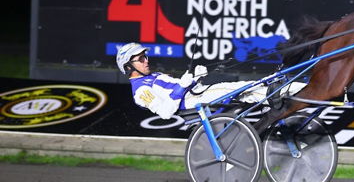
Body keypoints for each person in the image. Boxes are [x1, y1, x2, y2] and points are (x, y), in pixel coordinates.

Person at [116, 42, 303, 120]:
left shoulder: (153, 76)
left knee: (252, 85)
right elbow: (166, 111)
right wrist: (183, 85)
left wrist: (195, 78)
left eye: (145, 56)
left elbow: (178, 89)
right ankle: (297, 91)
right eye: (140, 59)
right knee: (249, 88)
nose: (146, 60)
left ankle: (292, 88)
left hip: (199, 93)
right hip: (194, 102)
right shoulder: (141, 92)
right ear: (128, 68)